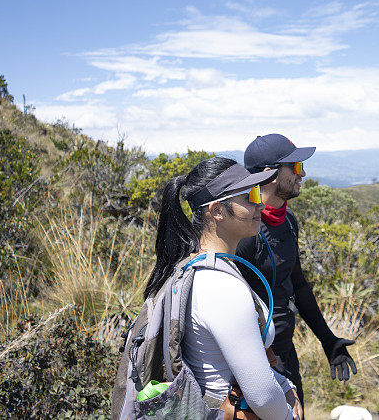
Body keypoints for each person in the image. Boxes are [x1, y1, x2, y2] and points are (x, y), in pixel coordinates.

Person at [143, 156, 304, 420]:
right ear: (217, 211)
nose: (259, 203)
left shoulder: (193, 266)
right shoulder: (222, 288)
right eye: (249, 196)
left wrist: (283, 384)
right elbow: (262, 396)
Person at [236, 134, 357, 419]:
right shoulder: (244, 233)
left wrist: (328, 340)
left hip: (286, 355)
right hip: (256, 366)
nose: (302, 173)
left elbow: (299, 285)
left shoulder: (288, 222)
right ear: (270, 174)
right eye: (296, 167)